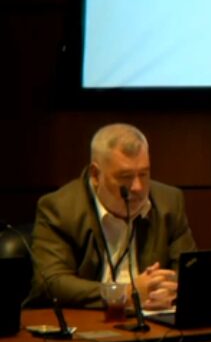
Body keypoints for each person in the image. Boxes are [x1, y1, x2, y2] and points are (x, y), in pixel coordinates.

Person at [32, 124, 196, 309]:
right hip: (90, 324)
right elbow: (52, 283)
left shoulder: (169, 202)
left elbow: (189, 269)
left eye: (144, 174)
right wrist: (125, 294)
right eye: (125, 177)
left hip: (155, 323)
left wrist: (168, 288)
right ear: (96, 175)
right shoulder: (60, 209)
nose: (138, 187)